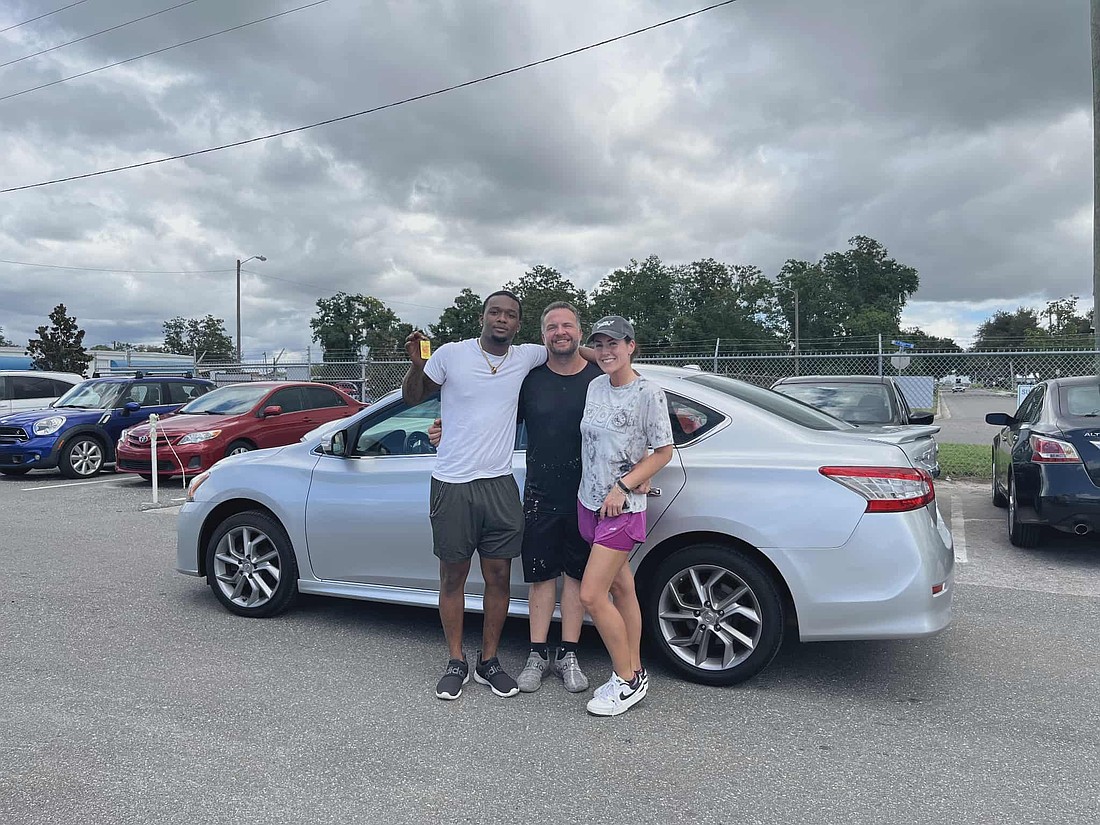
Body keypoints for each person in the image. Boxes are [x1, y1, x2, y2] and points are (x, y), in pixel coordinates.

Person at [401, 290, 556, 701]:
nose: (501, 319)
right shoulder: (450, 354)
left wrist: (614, 358)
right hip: (451, 482)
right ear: (483, 316)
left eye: (510, 315)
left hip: (499, 484)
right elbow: (413, 397)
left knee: (499, 576)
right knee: (452, 576)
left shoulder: (526, 356)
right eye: (495, 312)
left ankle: (489, 662)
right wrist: (416, 366)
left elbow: (568, 348)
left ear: (518, 324)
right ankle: (456, 660)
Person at [578, 315, 674, 717]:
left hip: (623, 508)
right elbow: (596, 359)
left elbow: (663, 452)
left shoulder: (648, 393)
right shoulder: (596, 384)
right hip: (588, 503)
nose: (606, 352)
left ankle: (626, 681)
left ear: (632, 345)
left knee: (590, 595)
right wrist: (582, 349)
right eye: (599, 344)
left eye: (615, 344)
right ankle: (635, 667)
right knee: (622, 590)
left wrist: (625, 485)